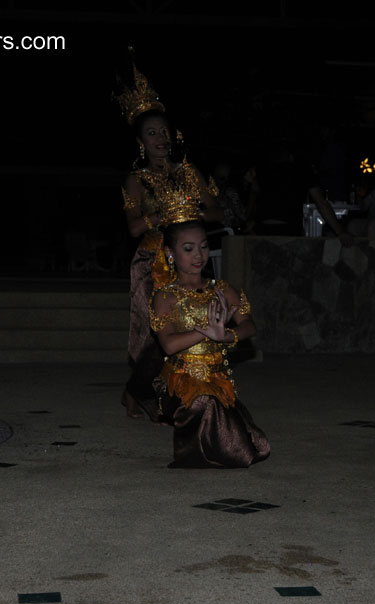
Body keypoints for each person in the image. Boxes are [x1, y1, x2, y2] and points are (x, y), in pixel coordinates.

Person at [115, 64, 221, 421]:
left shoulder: (190, 173)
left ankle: (166, 392)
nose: (159, 137)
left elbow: (215, 212)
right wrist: (160, 216)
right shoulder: (136, 180)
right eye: (151, 132)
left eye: (163, 130)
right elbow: (132, 229)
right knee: (154, 334)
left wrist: (189, 212)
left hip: (189, 257)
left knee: (191, 328)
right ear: (141, 142)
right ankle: (139, 390)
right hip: (151, 262)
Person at [149, 221, 270, 467]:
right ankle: (193, 451)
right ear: (171, 253)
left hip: (218, 381)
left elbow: (249, 325)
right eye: (189, 248)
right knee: (206, 403)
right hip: (180, 382)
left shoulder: (221, 289)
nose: (199, 255)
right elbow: (168, 346)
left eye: (203, 247)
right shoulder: (165, 296)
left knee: (258, 445)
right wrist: (206, 332)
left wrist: (227, 336)